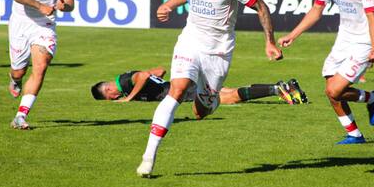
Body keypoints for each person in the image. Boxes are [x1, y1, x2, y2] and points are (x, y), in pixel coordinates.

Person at [136, 0, 282, 177]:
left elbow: (260, 6)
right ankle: (148, 157)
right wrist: (169, 5)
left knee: (200, 111)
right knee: (177, 89)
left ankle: (210, 99)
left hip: (218, 52)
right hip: (190, 41)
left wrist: (269, 42)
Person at [278, 0, 374, 145]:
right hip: (343, 39)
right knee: (332, 89)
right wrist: (293, 35)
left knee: (333, 90)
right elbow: (317, 11)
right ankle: (356, 130)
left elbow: (372, 16)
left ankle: (372, 99)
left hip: (363, 41)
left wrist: (373, 48)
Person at [7, 0, 74, 130]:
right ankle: (15, 79)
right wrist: (39, 5)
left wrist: (64, 4)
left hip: (44, 25)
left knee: (41, 65)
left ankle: (20, 116)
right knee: (19, 71)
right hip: (21, 21)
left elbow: (70, 4)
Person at [90, 66, 308, 106]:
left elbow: (146, 75)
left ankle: (276, 89)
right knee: (228, 92)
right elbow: (158, 71)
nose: (115, 99)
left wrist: (130, 97)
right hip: (182, 85)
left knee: (228, 98)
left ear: (108, 91)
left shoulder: (125, 81)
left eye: (112, 98)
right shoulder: (127, 81)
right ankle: (282, 87)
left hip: (181, 91)